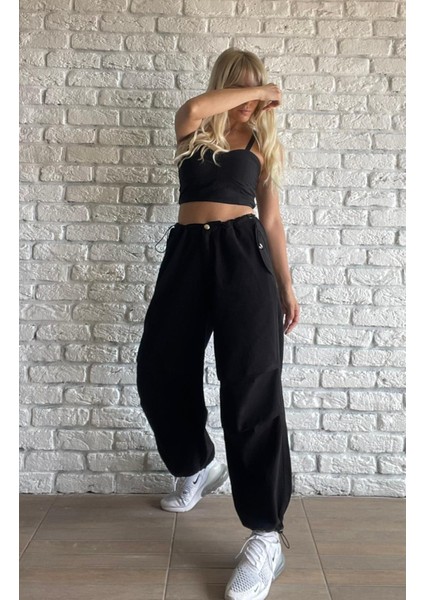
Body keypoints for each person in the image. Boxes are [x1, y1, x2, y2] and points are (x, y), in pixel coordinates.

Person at [136, 48, 300, 600]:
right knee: (159, 370)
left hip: (244, 256)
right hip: (187, 253)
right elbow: (196, 106)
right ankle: (196, 464)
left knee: (251, 387)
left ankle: (265, 535)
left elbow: (271, 219)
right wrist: (261, 91)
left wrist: (286, 285)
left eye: (260, 87)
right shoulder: (195, 129)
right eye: (245, 86)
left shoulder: (260, 143)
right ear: (230, 84)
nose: (254, 98)